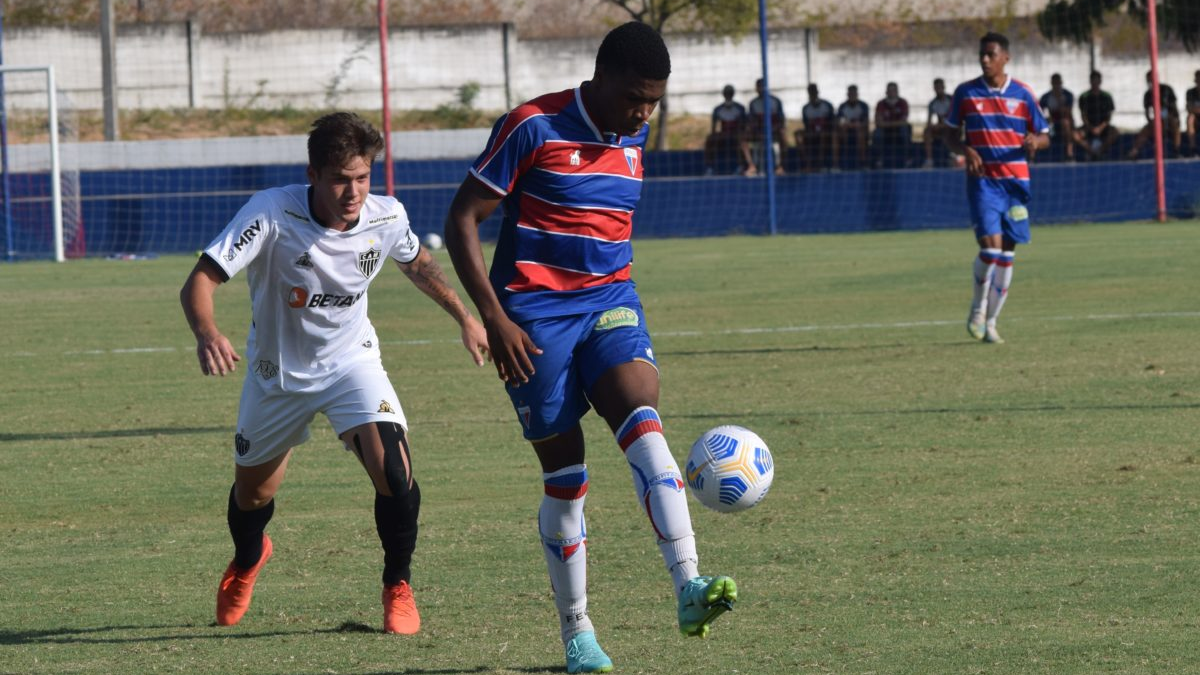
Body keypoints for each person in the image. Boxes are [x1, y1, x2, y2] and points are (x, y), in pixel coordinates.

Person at [441, 21, 737, 674]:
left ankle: (688, 585)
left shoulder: (634, 135)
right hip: (530, 323)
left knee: (645, 424)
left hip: (610, 304)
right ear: (600, 77)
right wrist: (493, 318)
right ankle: (578, 633)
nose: (644, 113)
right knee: (567, 480)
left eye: (655, 100)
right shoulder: (531, 127)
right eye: (636, 97)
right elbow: (461, 217)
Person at [179, 112, 488, 634]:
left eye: (363, 178)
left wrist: (465, 317)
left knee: (395, 471)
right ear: (313, 174)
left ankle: (397, 584)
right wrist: (208, 332)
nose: (354, 192)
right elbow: (201, 280)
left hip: (352, 364)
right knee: (253, 494)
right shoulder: (271, 213)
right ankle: (249, 558)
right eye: (342, 179)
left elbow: (417, 264)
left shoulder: (385, 216)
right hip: (277, 375)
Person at [943, 32, 1049, 345]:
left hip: (1016, 184)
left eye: (991, 54)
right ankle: (977, 307)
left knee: (1007, 253)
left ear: (1006, 57)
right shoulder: (966, 93)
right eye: (982, 54)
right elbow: (947, 135)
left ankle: (991, 322)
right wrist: (966, 149)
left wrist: (1034, 142)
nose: (985, 60)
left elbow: (1045, 135)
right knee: (990, 248)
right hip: (983, 181)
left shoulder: (1024, 93)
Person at [1127, 70, 1181, 159]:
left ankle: (1176, 151)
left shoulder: (1167, 89)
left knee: (1174, 125)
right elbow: (1147, 112)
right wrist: (1151, 121)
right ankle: (1134, 151)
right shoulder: (1147, 94)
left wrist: (1170, 117)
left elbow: (1174, 107)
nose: (1150, 82)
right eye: (1148, 80)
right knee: (1146, 129)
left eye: (1151, 79)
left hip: (1171, 119)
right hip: (1157, 121)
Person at [703, 84, 752, 175]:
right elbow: (713, 128)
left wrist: (737, 132)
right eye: (726, 93)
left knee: (741, 140)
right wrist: (715, 136)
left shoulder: (740, 108)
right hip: (724, 134)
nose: (728, 95)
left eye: (730, 93)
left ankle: (741, 166)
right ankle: (709, 167)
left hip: (735, 134)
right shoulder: (718, 109)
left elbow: (743, 126)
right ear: (723, 94)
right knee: (710, 139)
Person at [1073, 70, 1119, 160]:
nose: (1095, 83)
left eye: (1097, 81)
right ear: (1090, 82)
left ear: (1100, 81)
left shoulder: (1106, 96)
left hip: (1103, 126)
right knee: (1075, 135)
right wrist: (1091, 128)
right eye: (1093, 80)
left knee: (1115, 133)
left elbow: (1109, 116)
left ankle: (1100, 152)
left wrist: (1100, 128)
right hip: (1088, 127)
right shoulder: (1084, 96)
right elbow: (1083, 115)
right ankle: (1092, 152)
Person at [746, 76, 787, 175]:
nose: (760, 89)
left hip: (774, 132)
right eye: (758, 87)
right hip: (759, 132)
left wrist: (773, 130)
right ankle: (752, 166)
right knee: (742, 138)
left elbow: (781, 121)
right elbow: (752, 122)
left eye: (762, 87)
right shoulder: (753, 103)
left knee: (783, 137)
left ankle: (780, 166)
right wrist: (757, 131)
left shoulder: (776, 102)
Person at [797, 83, 837, 172]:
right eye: (810, 92)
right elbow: (806, 125)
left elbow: (833, 123)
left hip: (826, 132)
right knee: (798, 135)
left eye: (814, 91)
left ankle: (821, 164)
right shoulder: (806, 108)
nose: (812, 94)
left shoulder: (827, 105)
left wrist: (824, 129)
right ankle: (806, 165)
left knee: (823, 135)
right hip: (812, 132)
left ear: (817, 92)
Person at [873, 82, 912, 168]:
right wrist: (895, 123)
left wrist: (886, 123)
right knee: (877, 133)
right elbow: (878, 123)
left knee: (905, 129)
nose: (891, 92)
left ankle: (907, 158)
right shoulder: (881, 104)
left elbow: (904, 122)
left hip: (898, 130)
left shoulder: (903, 102)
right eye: (889, 90)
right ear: (886, 92)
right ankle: (879, 159)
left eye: (893, 90)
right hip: (885, 130)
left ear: (897, 91)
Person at [1038, 73, 1075, 160]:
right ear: (1051, 83)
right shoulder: (1046, 97)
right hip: (1051, 122)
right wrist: (1048, 118)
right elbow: (1040, 112)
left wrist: (1059, 102)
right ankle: (1035, 156)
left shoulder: (1067, 95)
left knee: (1065, 123)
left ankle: (1069, 152)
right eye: (1054, 83)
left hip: (1064, 122)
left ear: (1061, 83)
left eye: (1058, 83)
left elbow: (1068, 112)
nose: (1056, 85)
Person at [836, 84, 871, 169]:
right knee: (838, 134)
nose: (852, 95)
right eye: (850, 93)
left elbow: (864, 123)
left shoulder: (863, 106)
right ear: (847, 94)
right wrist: (852, 124)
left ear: (857, 94)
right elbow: (840, 122)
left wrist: (852, 124)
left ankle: (863, 163)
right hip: (846, 131)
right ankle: (837, 164)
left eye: (854, 93)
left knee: (860, 133)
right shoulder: (842, 106)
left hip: (859, 131)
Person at [923, 78, 954, 167]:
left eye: (940, 86)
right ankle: (929, 159)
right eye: (937, 87)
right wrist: (932, 126)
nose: (939, 89)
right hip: (940, 127)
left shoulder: (951, 100)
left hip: (952, 126)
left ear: (944, 87)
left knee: (951, 129)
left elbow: (956, 118)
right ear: (934, 88)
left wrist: (943, 125)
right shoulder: (932, 103)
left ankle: (953, 156)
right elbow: (929, 121)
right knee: (927, 132)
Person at [1187, 70, 1200, 156]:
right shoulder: (1190, 92)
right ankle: (1193, 149)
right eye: (1198, 80)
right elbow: (1189, 108)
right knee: (1190, 118)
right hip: (1196, 119)